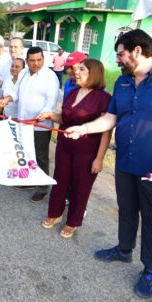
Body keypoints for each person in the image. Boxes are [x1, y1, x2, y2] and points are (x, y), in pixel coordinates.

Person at [65, 29, 152, 298]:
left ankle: (150, 269)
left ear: (137, 51)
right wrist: (83, 129)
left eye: (120, 54)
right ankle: (123, 249)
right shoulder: (123, 83)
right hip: (126, 160)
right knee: (127, 208)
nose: (117, 60)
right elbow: (110, 118)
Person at [37, 58, 111, 238]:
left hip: (87, 151)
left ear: (94, 73)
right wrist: (50, 115)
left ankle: (73, 221)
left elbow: (106, 131)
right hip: (64, 145)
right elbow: (65, 119)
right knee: (60, 180)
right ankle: (55, 213)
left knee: (81, 186)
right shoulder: (72, 92)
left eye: (82, 70)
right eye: (77, 69)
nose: (76, 72)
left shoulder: (104, 98)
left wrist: (99, 159)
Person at [0, 46, 60, 203]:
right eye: (32, 61)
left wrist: (39, 117)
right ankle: (29, 181)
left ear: (43, 59)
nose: (36, 63)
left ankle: (43, 187)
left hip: (40, 125)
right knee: (25, 152)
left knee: (40, 156)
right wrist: (8, 99)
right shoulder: (24, 73)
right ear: (27, 61)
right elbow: (16, 92)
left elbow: (51, 103)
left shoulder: (50, 76)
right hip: (22, 122)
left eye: (39, 60)